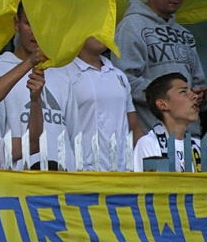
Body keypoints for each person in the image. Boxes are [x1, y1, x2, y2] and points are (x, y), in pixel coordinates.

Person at [113, 0, 207, 134]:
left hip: (190, 136)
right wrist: (168, 96)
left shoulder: (185, 33)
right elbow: (123, 80)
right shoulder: (132, 26)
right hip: (152, 136)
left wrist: (200, 96)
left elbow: (197, 82)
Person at [0, 3, 78, 170]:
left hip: (64, 179)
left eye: (44, 24)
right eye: (29, 23)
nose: (36, 31)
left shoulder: (63, 74)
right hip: (19, 185)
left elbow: (75, 136)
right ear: (16, 23)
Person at [56, 37, 145, 171]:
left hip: (123, 170)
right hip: (81, 170)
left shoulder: (118, 74)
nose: (103, 34)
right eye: (96, 29)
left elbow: (133, 125)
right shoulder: (63, 73)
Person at [133, 73, 207, 172]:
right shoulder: (148, 143)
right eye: (183, 92)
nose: (194, 96)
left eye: (192, 91)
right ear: (162, 104)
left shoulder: (200, 147)